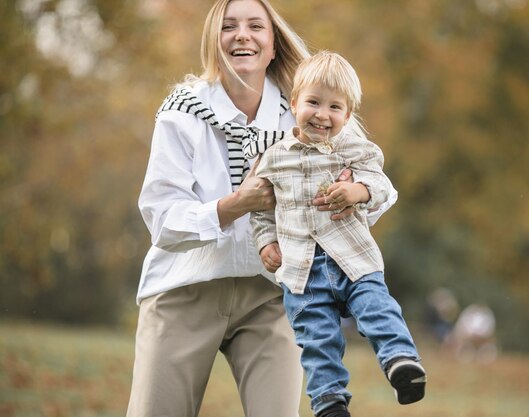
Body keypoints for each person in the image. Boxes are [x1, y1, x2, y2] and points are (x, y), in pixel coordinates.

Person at [126, 1, 397, 417]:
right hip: (185, 288)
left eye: (256, 26)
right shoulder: (181, 113)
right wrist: (235, 206)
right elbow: (162, 220)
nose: (242, 35)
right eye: (228, 26)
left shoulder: (311, 107)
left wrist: (350, 193)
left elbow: (372, 192)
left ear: (273, 46)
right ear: (213, 43)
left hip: (275, 295)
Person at [250, 51, 426, 417]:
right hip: (302, 272)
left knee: (377, 309)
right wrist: (266, 241)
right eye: (313, 102)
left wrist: (358, 190)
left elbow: (379, 183)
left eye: (335, 107)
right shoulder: (274, 157)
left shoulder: (355, 150)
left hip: (352, 257)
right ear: (295, 103)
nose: (322, 115)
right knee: (317, 340)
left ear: (347, 115)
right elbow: (262, 209)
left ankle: (401, 362)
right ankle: (329, 402)